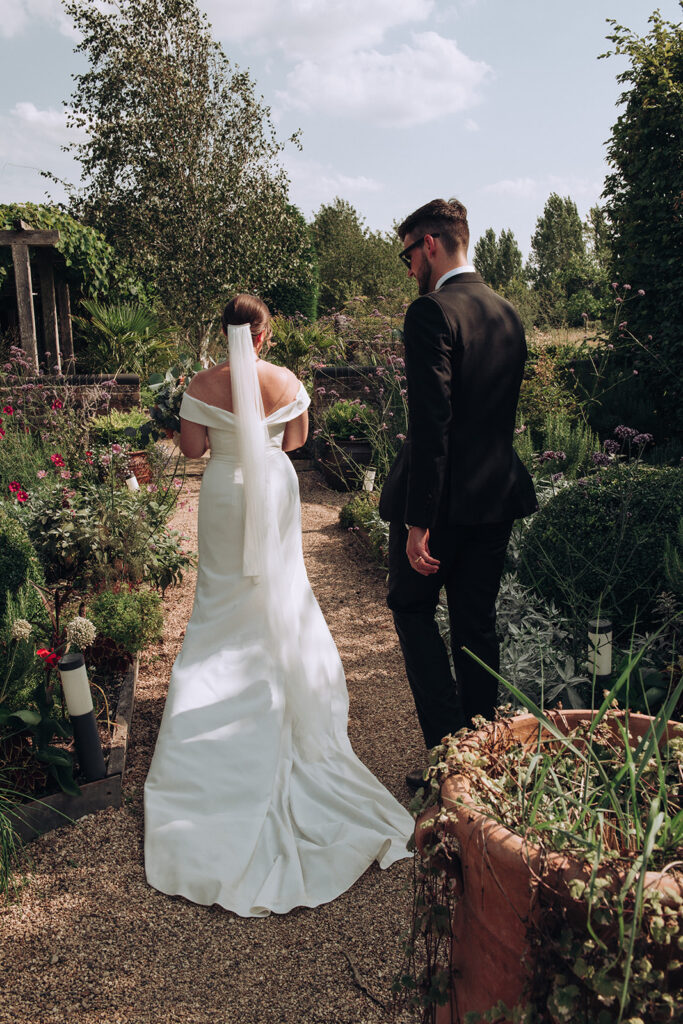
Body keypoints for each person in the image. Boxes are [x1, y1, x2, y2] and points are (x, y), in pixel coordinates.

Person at [144, 293, 412, 917]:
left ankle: (212, 699)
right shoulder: (287, 378)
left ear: (225, 333)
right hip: (273, 488)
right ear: (263, 335)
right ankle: (276, 684)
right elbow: (295, 443)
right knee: (283, 589)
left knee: (219, 594)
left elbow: (191, 452)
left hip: (224, 494)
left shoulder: (200, 381)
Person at [378, 199, 538, 791]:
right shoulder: (507, 313)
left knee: (412, 608)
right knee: (477, 623)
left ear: (431, 245)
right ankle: (482, 760)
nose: (409, 267)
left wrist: (419, 521)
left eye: (407, 255)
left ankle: (450, 755)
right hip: (495, 499)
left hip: (441, 506)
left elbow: (431, 424)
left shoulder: (430, 313)